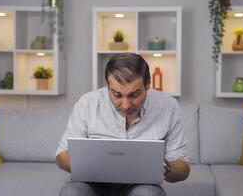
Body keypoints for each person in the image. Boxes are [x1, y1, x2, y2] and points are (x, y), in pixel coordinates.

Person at [56, 53, 190, 196]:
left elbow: (183, 168)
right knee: (71, 192)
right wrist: (89, 164)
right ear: (108, 86)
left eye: (134, 95)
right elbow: (61, 155)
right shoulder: (88, 103)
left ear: (148, 84)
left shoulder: (168, 107)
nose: (126, 106)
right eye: (117, 95)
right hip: (93, 184)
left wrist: (165, 167)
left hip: (141, 186)